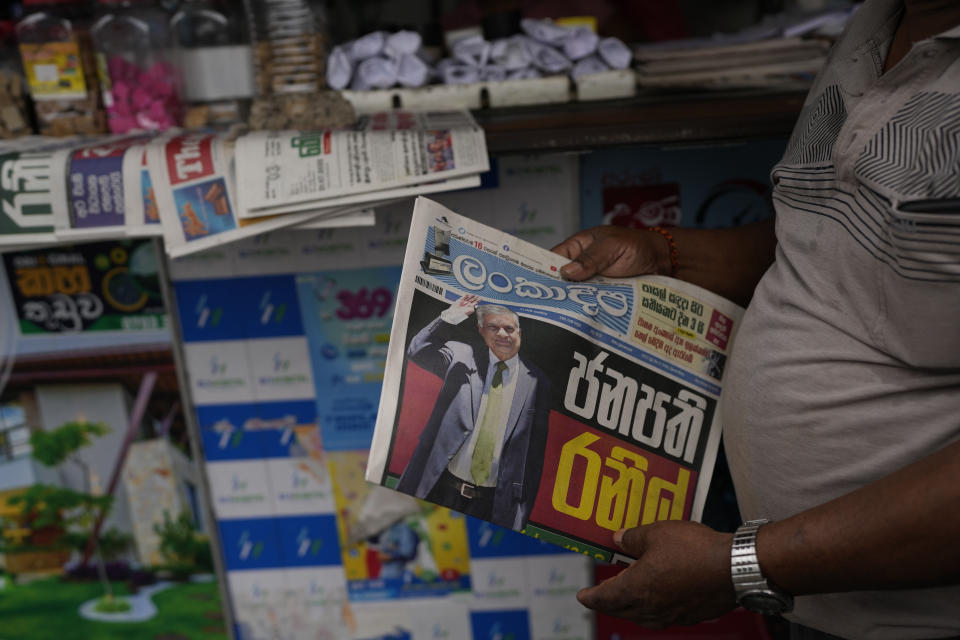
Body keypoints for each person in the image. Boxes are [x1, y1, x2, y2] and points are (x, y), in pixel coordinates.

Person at [552, 0, 960, 638]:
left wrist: (739, 565)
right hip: (810, 603)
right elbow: (832, 247)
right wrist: (668, 255)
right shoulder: (878, 23)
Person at [395, 294, 551, 531]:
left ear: (520, 333)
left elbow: (534, 458)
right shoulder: (461, 354)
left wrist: (519, 516)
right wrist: (450, 317)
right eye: (493, 327)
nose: (502, 334)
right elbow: (418, 350)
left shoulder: (537, 381)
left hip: (491, 506)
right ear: (481, 330)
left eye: (509, 328)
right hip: (438, 487)